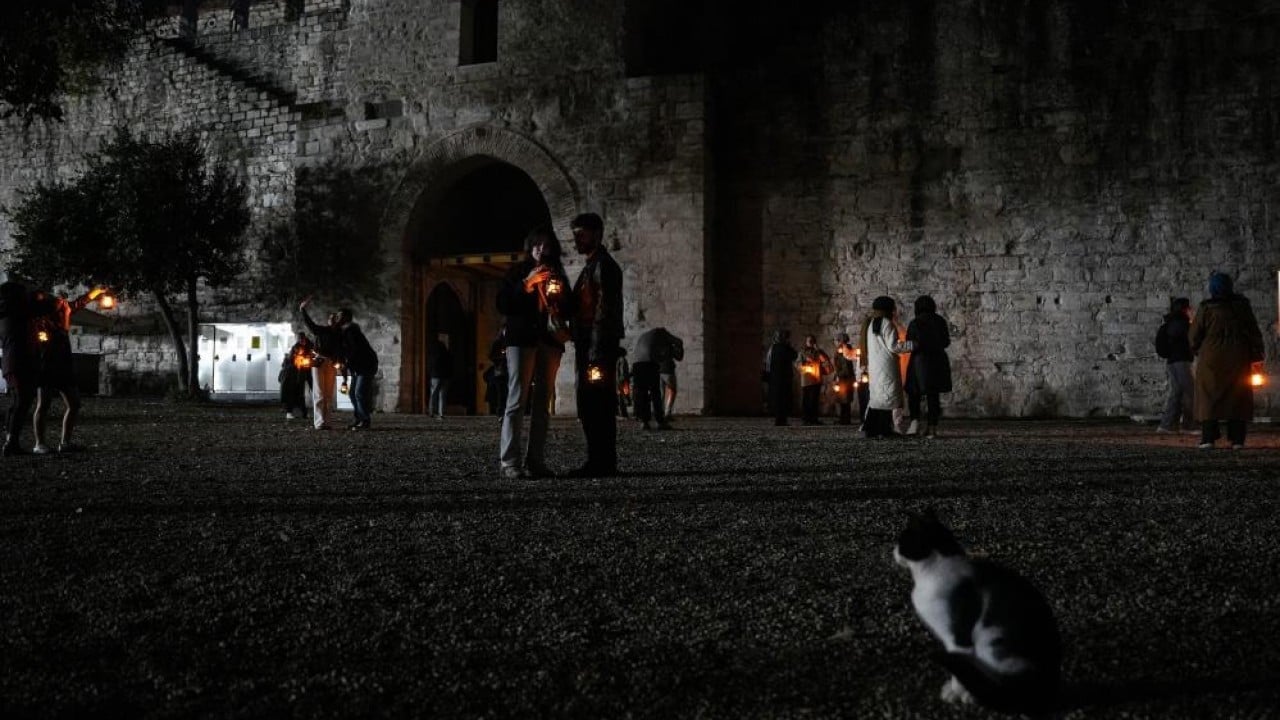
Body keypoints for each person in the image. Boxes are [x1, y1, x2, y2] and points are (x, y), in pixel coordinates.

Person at [496, 226, 572, 479]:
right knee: (516, 399)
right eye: (537, 244)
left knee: (542, 404)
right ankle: (509, 461)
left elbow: (569, 307)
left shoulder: (558, 274)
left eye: (546, 245)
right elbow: (503, 303)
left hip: (549, 342)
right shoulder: (517, 272)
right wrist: (527, 284)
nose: (541, 249)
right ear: (530, 247)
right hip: (522, 340)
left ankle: (535, 461)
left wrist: (558, 300)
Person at [567, 212, 624, 477]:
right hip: (590, 345)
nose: (577, 239)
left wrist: (595, 350)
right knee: (590, 403)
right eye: (575, 234)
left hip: (596, 347)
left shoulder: (603, 266)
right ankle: (598, 460)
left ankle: (602, 462)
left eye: (582, 234)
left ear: (597, 234)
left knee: (597, 403)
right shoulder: (593, 266)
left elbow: (604, 309)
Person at [1189, 272, 1265, 449]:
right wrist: (1257, 353)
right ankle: (1237, 440)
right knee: (1237, 396)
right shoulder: (1242, 306)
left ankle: (1208, 438)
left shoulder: (1207, 307)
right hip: (1238, 356)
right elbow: (1253, 331)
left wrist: (1195, 349)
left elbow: (1194, 334)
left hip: (1211, 357)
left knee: (1209, 397)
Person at [30, 288, 103, 453]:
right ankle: (39, 444)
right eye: (61, 302)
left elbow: (80, 302)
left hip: (63, 366)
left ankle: (65, 443)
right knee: (44, 404)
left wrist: (98, 290)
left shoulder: (63, 311)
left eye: (65, 303)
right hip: (47, 366)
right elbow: (40, 343)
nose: (65, 305)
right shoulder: (43, 322)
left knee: (74, 403)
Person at [861, 296, 914, 438]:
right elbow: (894, 346)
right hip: (887, 365)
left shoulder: (871, 324)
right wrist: (911, 345)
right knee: (888, 398)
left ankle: (872, 429)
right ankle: (884, 429)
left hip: (876, 366)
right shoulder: (886, 324)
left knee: (878, 398)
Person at [904, 295, 952, 437]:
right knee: (933, 395)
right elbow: (946, 342)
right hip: (938, 360)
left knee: (914, 393)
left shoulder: (915, 322)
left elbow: (909, 342)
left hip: (920, 360)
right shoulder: (940, 321)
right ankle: (932, 427)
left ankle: (914, 424)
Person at [1, 281, 38, 456]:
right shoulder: (16, 311)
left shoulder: (8, 311)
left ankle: (11, 439)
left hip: (13, 362)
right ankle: (11, 442)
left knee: (18, 401)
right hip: (18, 361)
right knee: (21, 401)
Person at [299, 297, 343, 430]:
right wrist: (302, 309)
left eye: (334, 317)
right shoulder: (322, 330)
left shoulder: (339, 334)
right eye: (331, 318)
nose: (332, 319)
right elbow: (309, 324)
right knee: (319, 392)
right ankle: (319, 422)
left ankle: (327, 421)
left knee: (328, 394)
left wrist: (340, 363)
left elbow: (341, 349)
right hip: (319, 362)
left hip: (331, 363)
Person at [631, 327, 684, 430]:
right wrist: (680, 346)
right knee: (655, 393)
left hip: (637, 364)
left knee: (642, 394)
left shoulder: (647, 336)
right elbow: (678, 341)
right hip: (649, 364)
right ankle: (660, 422)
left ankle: (644, 422)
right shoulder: (662, 333)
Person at [1156, 297, 1195, 434]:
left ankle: (1168, 425)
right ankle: (1189, 425)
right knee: (1191, 392)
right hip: (1181, 361)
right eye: (1189, 308)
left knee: (1177, 392)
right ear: (1185, 309)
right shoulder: (1181, 323)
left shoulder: (1171, 322)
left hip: (1173, 361)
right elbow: (1190, 341)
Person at [336, 308, 378, 430]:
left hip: (365, 366)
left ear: (346, 318)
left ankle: (365, 421)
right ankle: (359, 418)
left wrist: (347, 363)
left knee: (359, 393)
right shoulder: (345, 332)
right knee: (353, 394)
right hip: (358, 367)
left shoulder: (351, 331)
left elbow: (355, 351)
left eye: (340, 316)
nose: (338, 319)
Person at [796, 334, 833, 425]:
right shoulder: (802, 352)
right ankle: (806, 419)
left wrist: (819, 351)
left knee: (815, 400)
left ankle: (814, 419)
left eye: (813, 341)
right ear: (806, 342)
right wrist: (804, 363)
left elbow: (826, 362)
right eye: (809, 341)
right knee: (806, 400)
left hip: (816, 379)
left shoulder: (819, 352)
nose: (811, 343)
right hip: (806, 380)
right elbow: (797, 364)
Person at [765, 330, 798, 426]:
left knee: (778, 398)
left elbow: (768, 362)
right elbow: (794, 355)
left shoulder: (773, 348)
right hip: (784, 378)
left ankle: (779, 419)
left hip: (775, 378)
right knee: (783, 398)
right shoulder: (785, 348)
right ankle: (781, 419)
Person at [279, 332, 314, 420]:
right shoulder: (295, 348)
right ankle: (290, 412)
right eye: (300, 339)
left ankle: (303, 413)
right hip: (293, 374)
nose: (302, 341)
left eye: (303, 339)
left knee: (300, 393)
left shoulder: (309, 346)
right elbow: (292, 361)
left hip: (302, 372)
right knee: (292, 393)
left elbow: (312, 355)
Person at [832, 333, 857, 425]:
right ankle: (845, 418)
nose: (834, 342)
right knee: (845, 399)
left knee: (844, 399)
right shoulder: (846, 349)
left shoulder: (843, 350)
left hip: (844, 378)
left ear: (840, 341)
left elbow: (844, 366)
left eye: (836, 340)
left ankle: (844, 419)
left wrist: (839, 375)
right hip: (846, 377)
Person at [427, 334, 453, 419]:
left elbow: (431, 365)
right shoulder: (447, 353)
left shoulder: (433, 354)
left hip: (436, 375)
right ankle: (441, 413)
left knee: (433, 394)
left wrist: (430, 373)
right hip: (445, 376)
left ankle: (431, 411)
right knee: (442, 395)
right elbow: (450, 365)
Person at [660, 352, 679, 419]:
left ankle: (660, 413)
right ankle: (667, 413)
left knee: (661, 393)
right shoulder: (670, 345)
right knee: (672, 391)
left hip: (658, 370)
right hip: (668, 370)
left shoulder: (658, 344)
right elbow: (679, 357)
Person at [616, 349, 632, 419]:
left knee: (620, 396)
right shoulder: (623, 360)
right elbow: (623, 372)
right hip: (622, 381)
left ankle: (620, 413)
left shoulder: (617, 360)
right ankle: (624, 413)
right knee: (623, 397)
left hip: (618, 380)